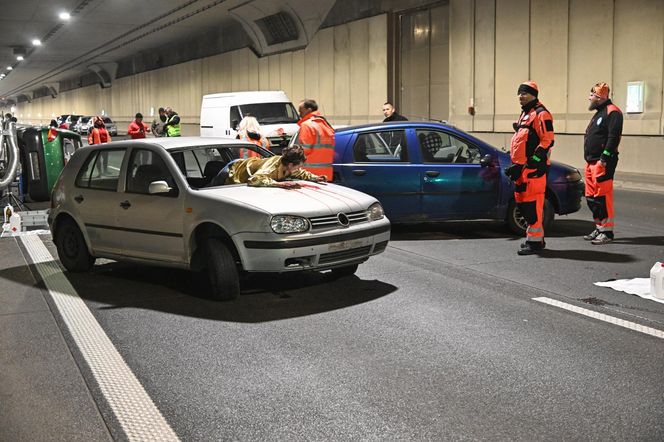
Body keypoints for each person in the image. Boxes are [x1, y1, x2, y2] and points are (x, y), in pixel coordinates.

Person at [504, 81, 554, 255]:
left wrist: (533, 160)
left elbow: (547, 140)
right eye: (519, 93)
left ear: (534, 94)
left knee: (532, 206)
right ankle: (533, 239)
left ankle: (535, 243)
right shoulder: (526, 113)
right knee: (523, 204)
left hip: (533, 170)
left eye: (525, 93)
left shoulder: (541, 114)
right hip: (522, 169)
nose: (521, 96)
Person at [582, 82, 623, 245]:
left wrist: (604, 158)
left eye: (591, 95)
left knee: (602, 197)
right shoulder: (600, 113)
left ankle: (607, 232)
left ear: (599, 97)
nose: (589, 98)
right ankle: (599, 227)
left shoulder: (613, 113)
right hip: (591, 161)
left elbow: (613, 138)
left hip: (603, 162)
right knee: (591, 198)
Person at [210, 144, 326, 188]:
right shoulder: (272, 167)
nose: (299, 168)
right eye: (297, 166)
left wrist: (315, 178)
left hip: (245, 166)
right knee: (209, 190)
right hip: (234, 170)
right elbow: (254, 179)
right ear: (290, 164)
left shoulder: (288, 166)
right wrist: (279, 184)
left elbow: (300, 173)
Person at [292, 99, 335, 181]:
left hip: (309, 174)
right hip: (326, 174)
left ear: (309, 110)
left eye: (301, 111)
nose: (299, 114)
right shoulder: (326, 125)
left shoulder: (307, 125)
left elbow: (303, 150)